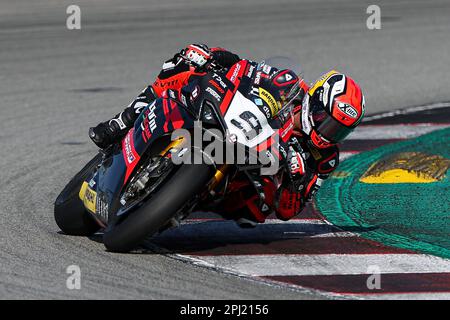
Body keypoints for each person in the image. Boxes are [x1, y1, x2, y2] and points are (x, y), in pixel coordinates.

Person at [89, 44, 365, 225]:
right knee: (186, 65)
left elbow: (288, 211)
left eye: (338, 130)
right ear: (314, 102)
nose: (327, 133)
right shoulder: (288, 85)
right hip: (228, 127)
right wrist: (216, 58)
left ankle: (177, 200)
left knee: (256, 212)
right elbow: (247, 70)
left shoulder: (324, 160)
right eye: (325, 121)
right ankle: (121, 122)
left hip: (247, 183)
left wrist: (294, 179)